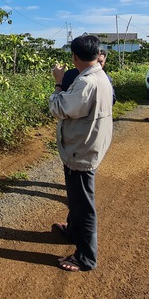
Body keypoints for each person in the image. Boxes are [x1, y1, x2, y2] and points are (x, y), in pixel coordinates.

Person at [49, 35, 114, 272]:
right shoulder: (98, 76)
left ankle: (86, 257)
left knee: (84, 204)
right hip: (86, 145)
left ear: (74, 56)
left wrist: (58, 82)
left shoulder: (87, 82)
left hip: (82, 150)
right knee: (76, 198)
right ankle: (73, 231)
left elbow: (60, 107)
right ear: (97, 54)